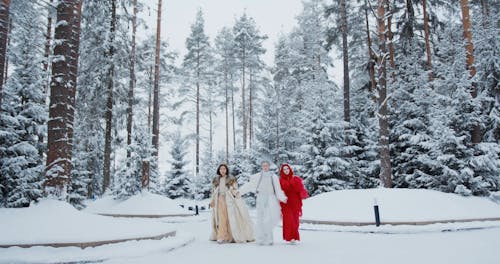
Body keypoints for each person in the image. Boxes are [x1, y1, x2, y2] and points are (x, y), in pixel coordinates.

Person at [240, 161, 287, 245]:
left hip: (271, 198)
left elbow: (277, 188)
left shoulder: (274, 176)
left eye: (266, 165)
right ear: (261, 167)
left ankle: (269, 239)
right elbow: (249, 185)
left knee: (269, 218)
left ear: (269, 166)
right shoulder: (257, 176)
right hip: (261, 197)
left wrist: (282, 197)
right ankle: (260, 239)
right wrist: (239, 192)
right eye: (263, 166)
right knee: (260, 218)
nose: (265, 167)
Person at [209, 164, 254, 243]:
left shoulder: (231, 179)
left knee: (230, 218)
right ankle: (221, 236)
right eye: (221, 169)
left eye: (224, 169)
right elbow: (214, 192)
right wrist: (212, 201)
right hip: (219, 200)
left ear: (226, 170)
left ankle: (230, 236)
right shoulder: (216, 180)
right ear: (219, 170)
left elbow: (234, 189)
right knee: (221, 219)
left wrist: (236, 193)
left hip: (229, 200)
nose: (222, 170)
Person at [279, 163, 309, 244]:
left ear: (290, 169)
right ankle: (289, 237)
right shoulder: (280, 181)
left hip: (295, 202)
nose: (286, 171)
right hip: (285, 202)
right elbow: (278, 192)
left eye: (287, 169)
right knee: (288, 220)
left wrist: (302, 193)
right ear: (282, 171)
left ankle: (294, 237)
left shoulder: (296, 179)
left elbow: (301, 189)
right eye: (284, 169)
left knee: (295, 220)